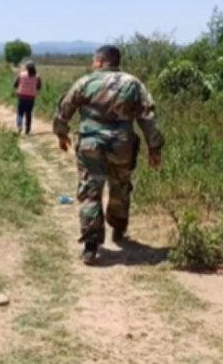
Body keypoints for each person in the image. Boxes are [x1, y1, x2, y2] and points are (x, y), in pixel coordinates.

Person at [52, 45, 164, 266]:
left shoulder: (85, 82)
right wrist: (154, 147)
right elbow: (147, 117)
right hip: (122, 144)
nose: (93, 64)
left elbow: (64, 109)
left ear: (102, 62)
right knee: (121, 185)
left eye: (95, 60)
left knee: (90, 191)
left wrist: (61, 134)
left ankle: (91, 245)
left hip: (91, 144)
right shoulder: (133, 83)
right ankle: (118, 226)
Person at [13, 61, 42, 135]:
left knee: (20, 113)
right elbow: (39, 87)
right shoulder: (37, 76)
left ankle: (19, 127)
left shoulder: (21, 75)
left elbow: (15, 85)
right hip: (31, 98)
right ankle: (27, 130)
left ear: (26, 68)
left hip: (21, 96)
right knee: (28, 114)